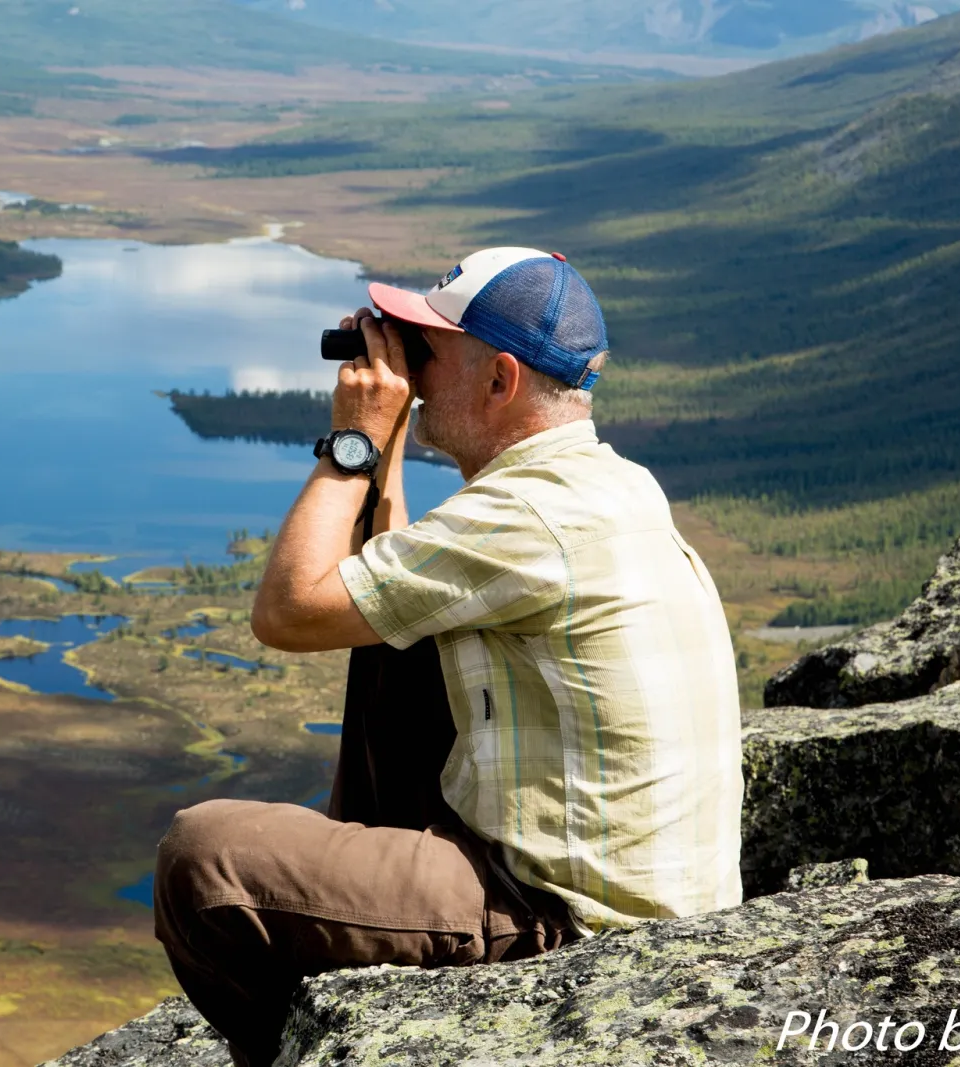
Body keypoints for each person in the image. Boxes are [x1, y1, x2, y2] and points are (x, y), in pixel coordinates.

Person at [153, 247, 743, 1067]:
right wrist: (388, 444)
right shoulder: (608, 486)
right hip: (646, 908)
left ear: (500, 380)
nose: (413, 370)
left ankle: (305, 1050)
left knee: (203, 859)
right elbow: (377, 589)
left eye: (429, 350)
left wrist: (353, 442)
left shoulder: (527, 516)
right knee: (395, 637)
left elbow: (285, 610)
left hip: (567, 928)